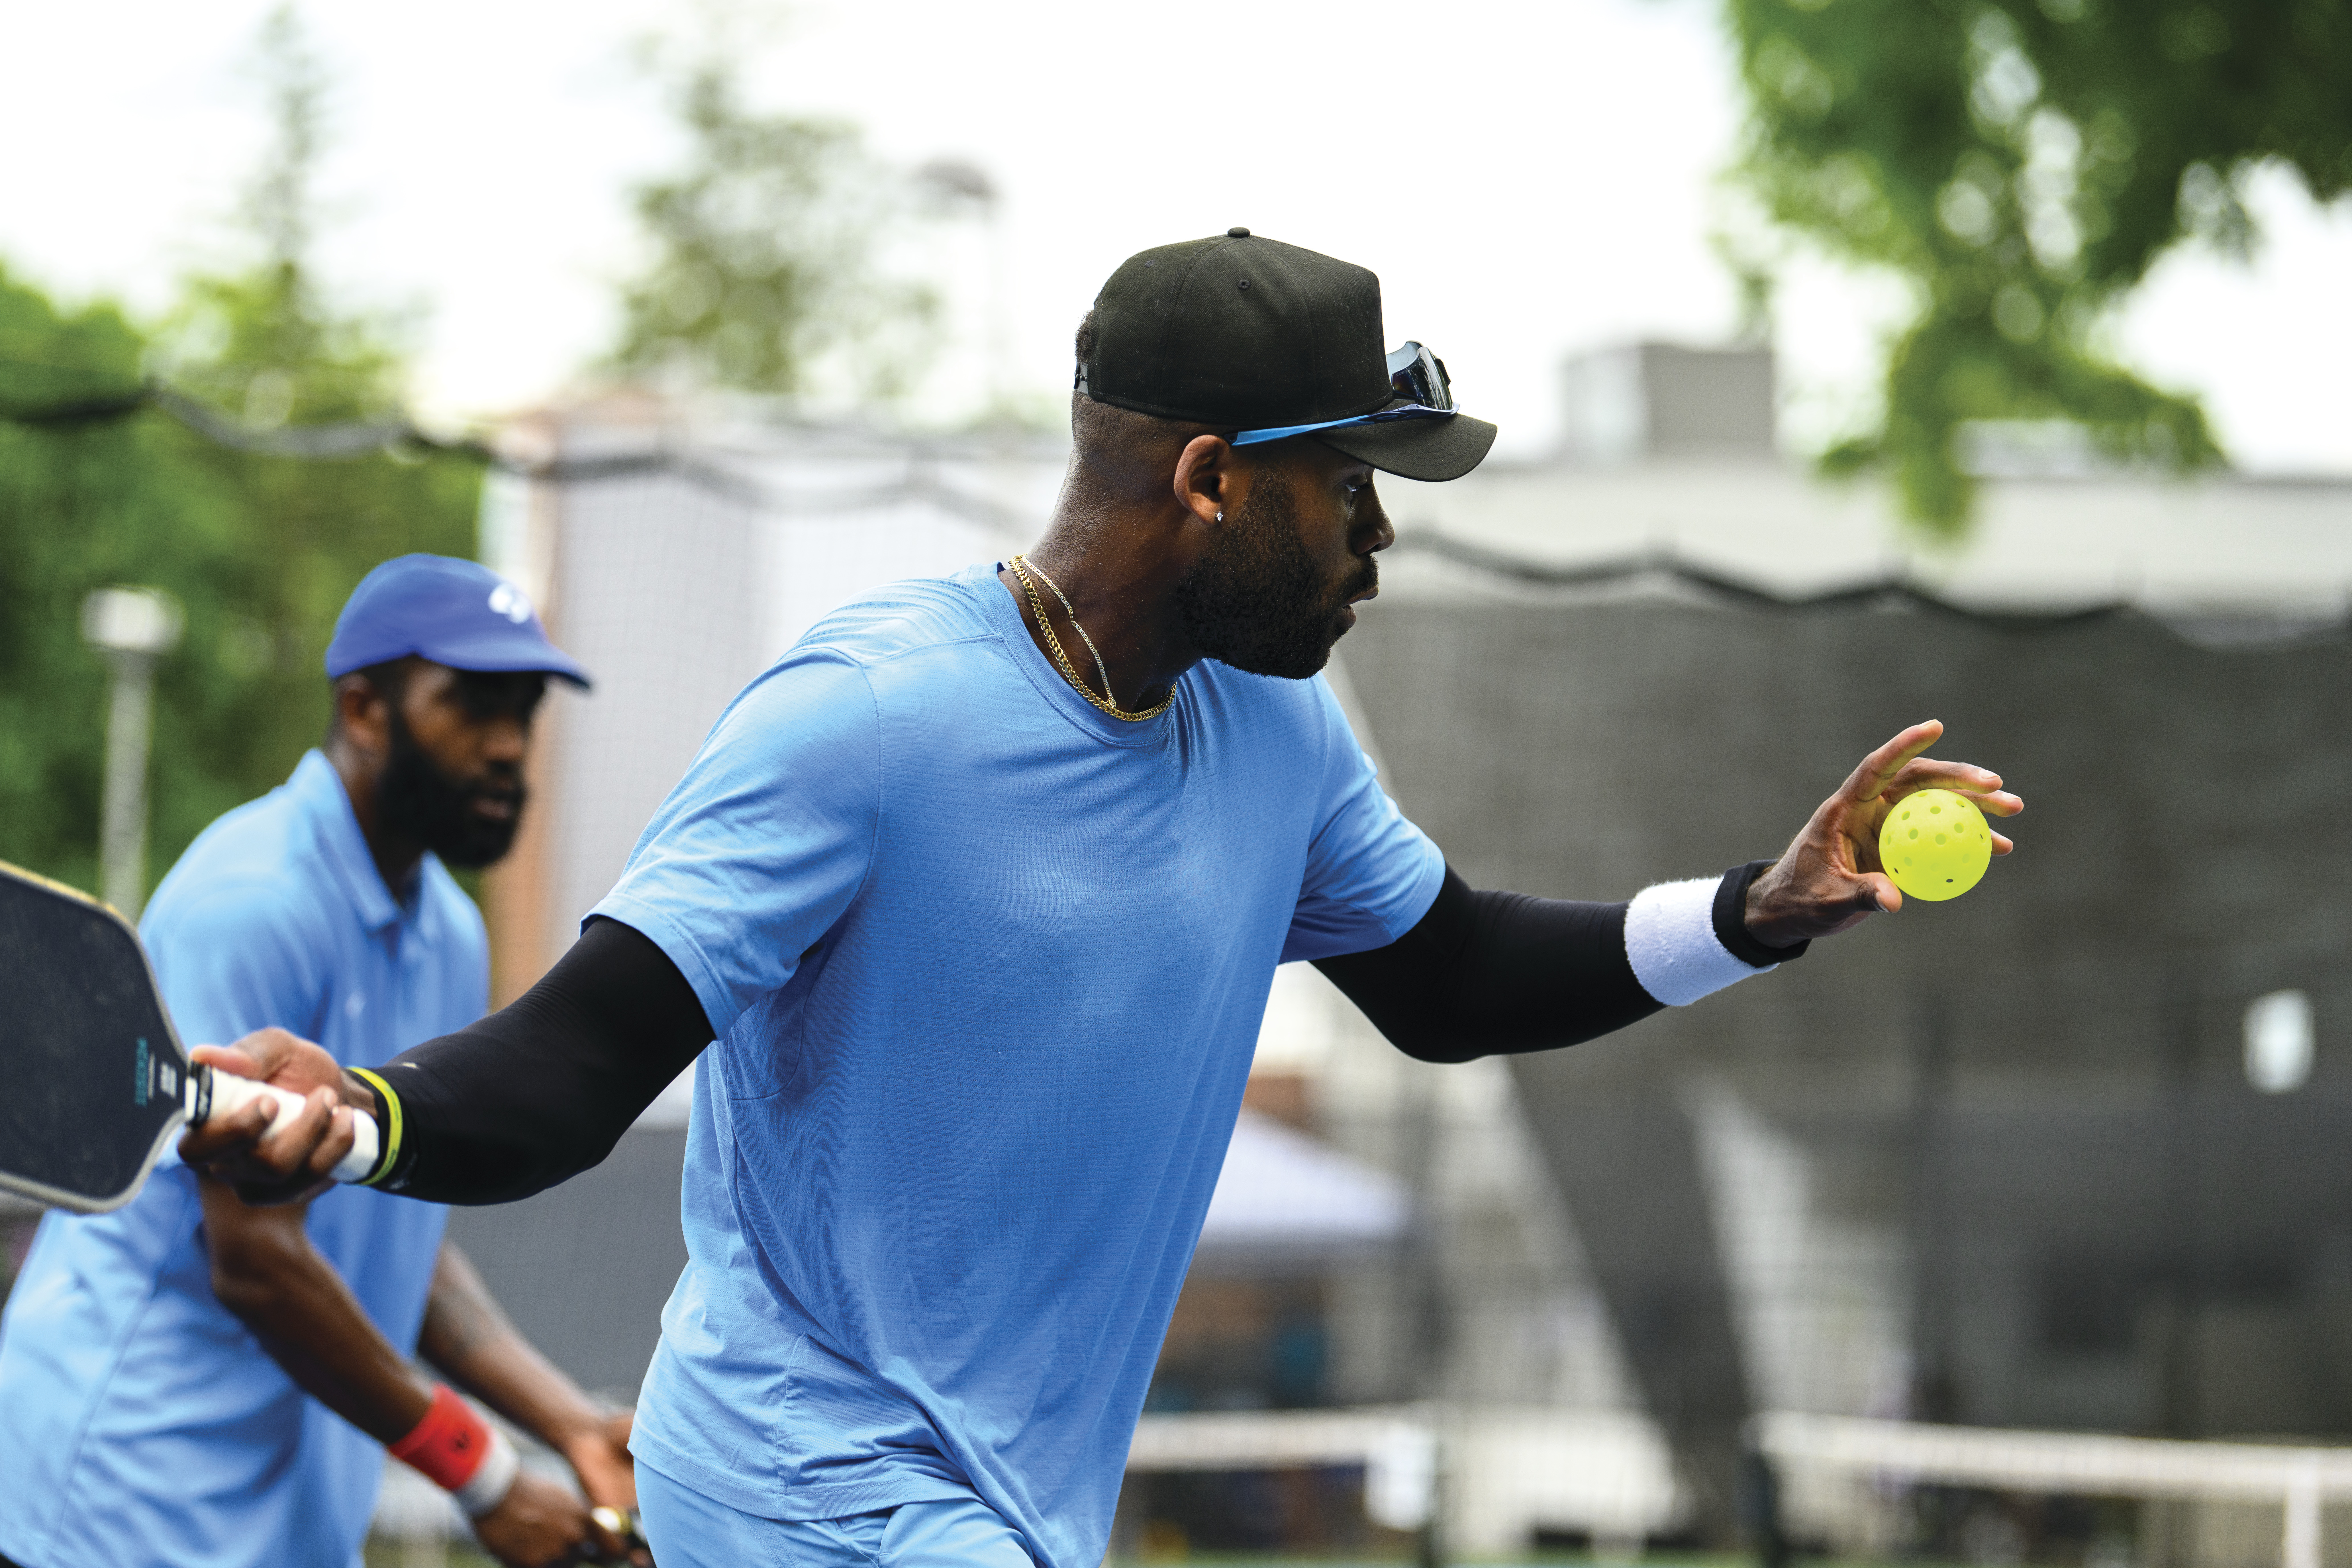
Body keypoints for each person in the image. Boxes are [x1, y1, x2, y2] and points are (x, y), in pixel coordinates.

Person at [183, 232, 2023, 1568]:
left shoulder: (1274, 741)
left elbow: (1449, 976)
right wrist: (369, 1117)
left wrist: (1757, 909)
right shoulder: (869, 717)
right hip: (811, 1481)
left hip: (1014, 1504)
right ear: (1213, 482)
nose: (1378, 539)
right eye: (1348, 490)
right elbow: (579, 1061)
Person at [0, 556, 642, 1568]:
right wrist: (484, 1473)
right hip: (125, 1498)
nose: (510, 749)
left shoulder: (449, 929)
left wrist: (567, 1423)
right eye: (473, 709)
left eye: (524, 714)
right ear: (365, 708)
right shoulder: (254, 895)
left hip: (288, 1514)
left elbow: (395, 1240)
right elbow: (256, 1259)